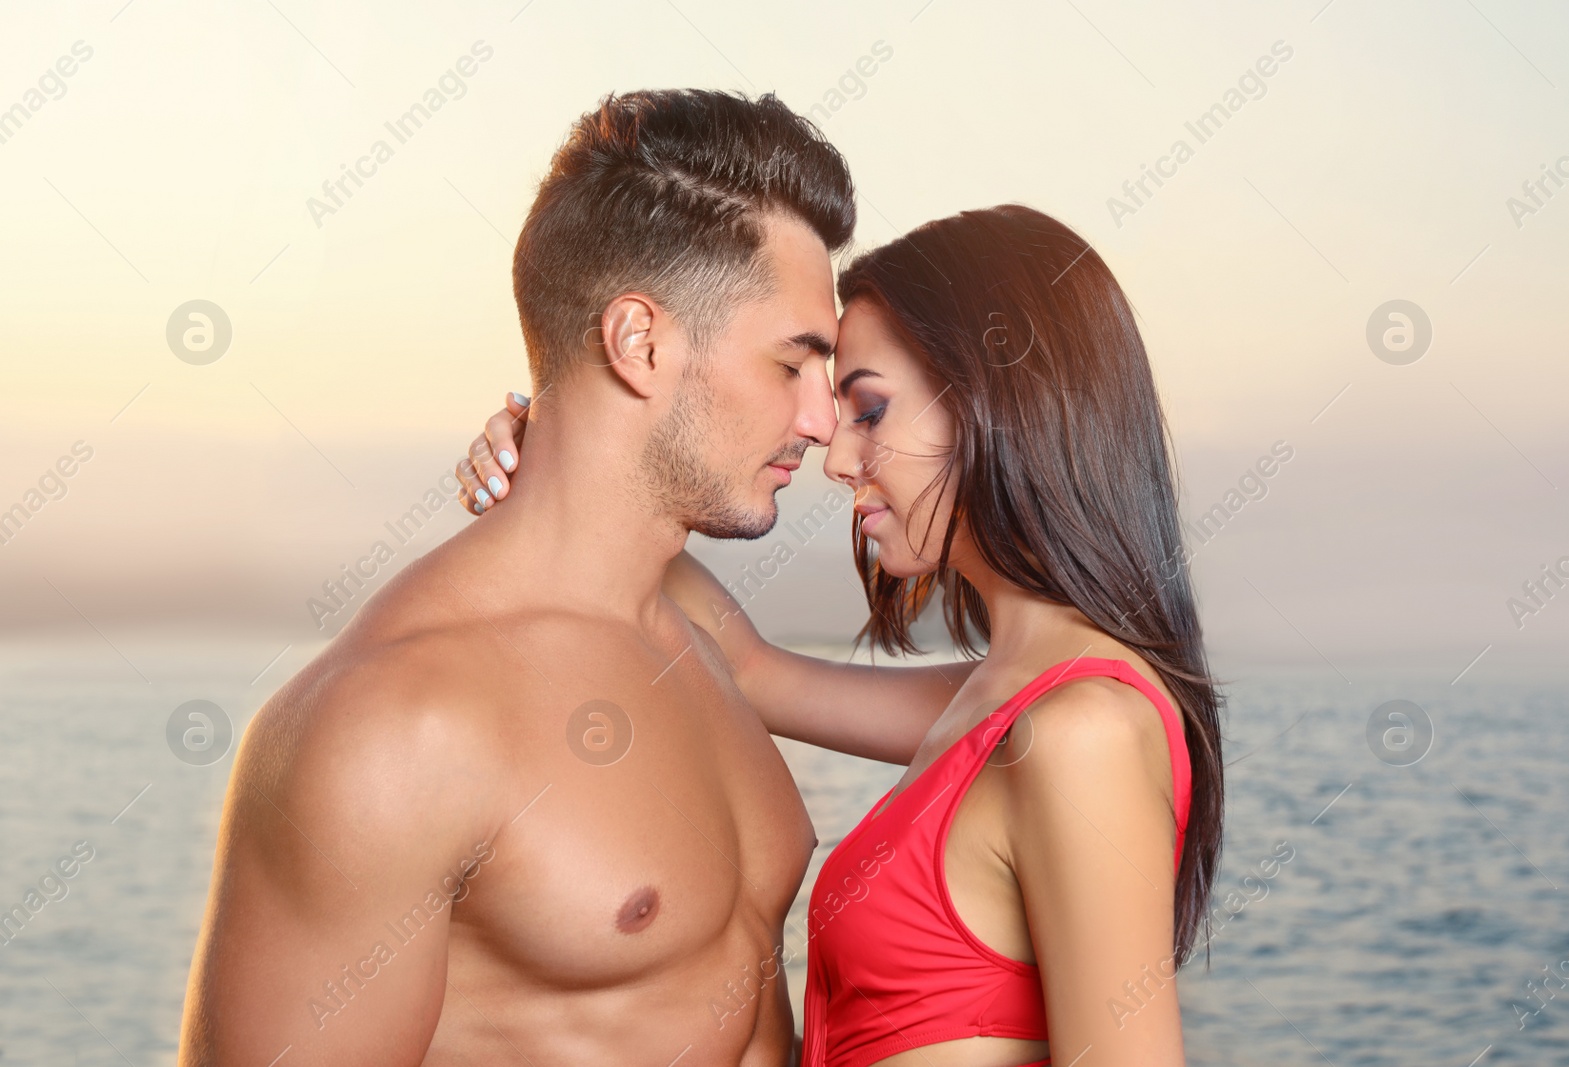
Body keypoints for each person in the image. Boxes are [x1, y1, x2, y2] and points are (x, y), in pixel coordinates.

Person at [178, 89, 982, 1067]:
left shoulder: (700, 632)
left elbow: (1015, 702)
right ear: (639, 342)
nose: (821, 424)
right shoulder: (388, 729)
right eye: (791, 365)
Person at [458, 204, 1223, 1065]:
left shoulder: (1081, 732)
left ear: (1001, 398)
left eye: (870, 411)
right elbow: (745, 669)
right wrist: (567, 446)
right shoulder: (995, 700)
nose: (835, 456)